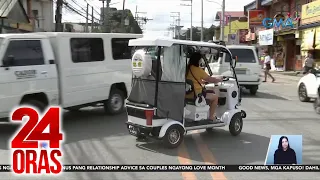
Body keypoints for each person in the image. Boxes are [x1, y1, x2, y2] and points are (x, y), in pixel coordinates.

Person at [185, 52, 222, 122]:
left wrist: (202, 82)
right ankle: (211, 118)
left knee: (211, 92)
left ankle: (207, 114)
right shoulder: (198, 69)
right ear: (198, 60)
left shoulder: (187, 68)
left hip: (187, 94)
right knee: (215, 98)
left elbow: (193, 80)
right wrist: (219, 79)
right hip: (197, 94)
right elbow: (211, 79)